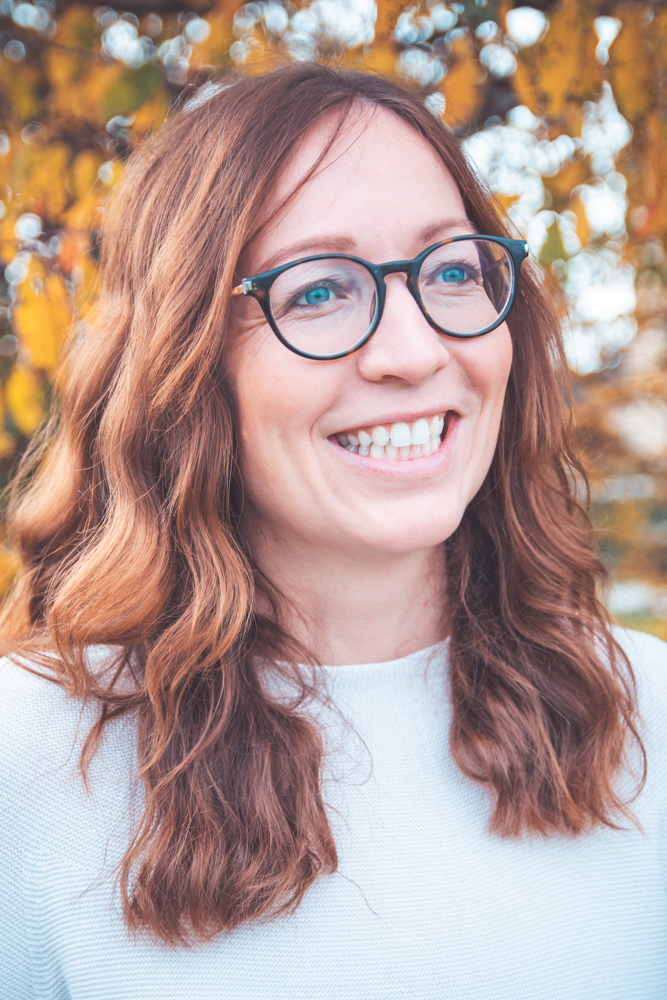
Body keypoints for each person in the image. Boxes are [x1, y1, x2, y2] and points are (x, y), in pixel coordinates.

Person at [0, 62, 665, 1000]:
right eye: (318, 291)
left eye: (450, 271)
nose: (413, 351)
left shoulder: (647, 715)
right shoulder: (31, 757)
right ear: (186, 363)